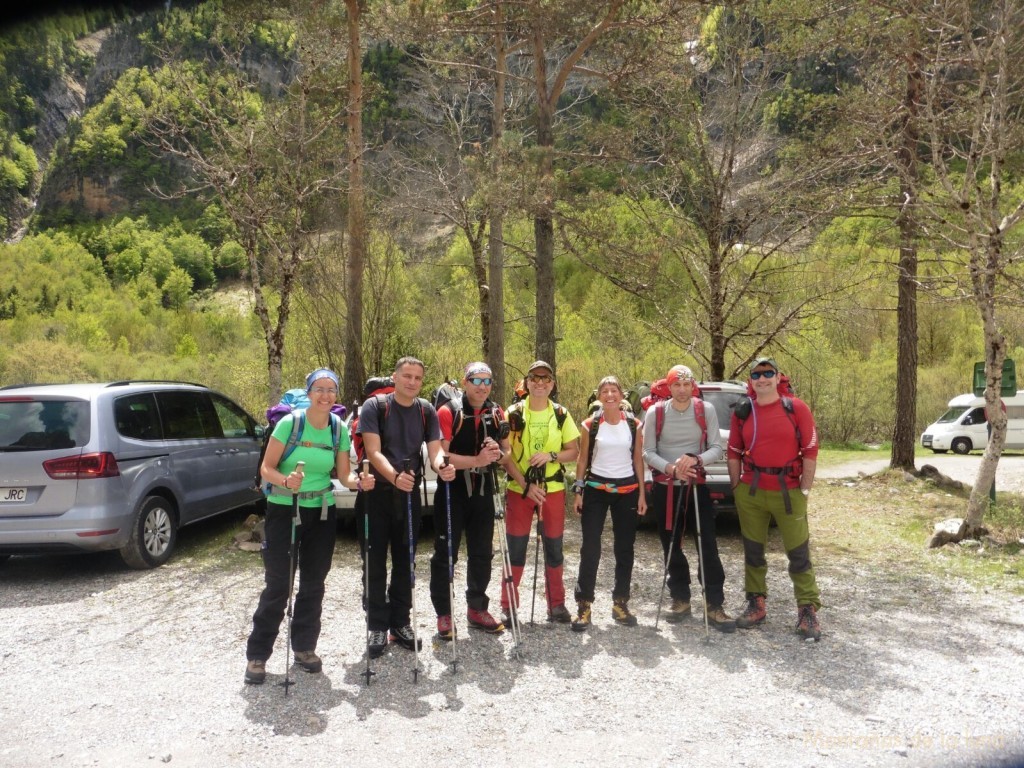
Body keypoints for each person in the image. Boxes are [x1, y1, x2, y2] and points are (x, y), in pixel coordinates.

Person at [245, 368, 373, 685]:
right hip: (285, 509)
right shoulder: (291, 424)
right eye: (320, 389)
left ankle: (304, 648)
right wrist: (286, 481)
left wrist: (360, 481)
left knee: (314, 583)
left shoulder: (337, 430)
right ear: (309, 392)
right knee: (279, 585)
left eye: (332, 390)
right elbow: (266, 468)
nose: (326, 395)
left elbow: (343, 476)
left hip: (323, 512)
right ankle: (258, 655)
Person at [359, 356, 456, 657]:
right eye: (406, 376)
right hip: (377, 492)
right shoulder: (374, 407)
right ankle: (376, 624)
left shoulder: (426, 410)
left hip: (409, 493)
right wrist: (394, 476)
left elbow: (435, 451)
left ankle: (399, 623)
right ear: (395, 377)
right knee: (374, 562)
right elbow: (373, 451)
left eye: (417, 377)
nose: (412, 381)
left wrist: (443, 467)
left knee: (406, 561)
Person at [727, 357, 822, 641]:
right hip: (752, 491)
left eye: (768, 373)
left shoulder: (796, 407)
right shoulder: (743, 411)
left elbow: (811, 451)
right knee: (753, 551)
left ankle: (807, 609)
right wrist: (737, 488)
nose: (763, 378)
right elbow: (733, 452)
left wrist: (804, 490)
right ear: (751, 381)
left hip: (788, 491)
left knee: (798, 553)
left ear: (777, 377)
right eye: (757, 374)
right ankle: (756, 603)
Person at [642, 364, 736, 632]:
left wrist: (695, 459)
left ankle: (714, 603)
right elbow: (648, 451)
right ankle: (680, 598)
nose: (682, 390)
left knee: (707, 542)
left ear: (692, 385)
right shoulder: (656, 412)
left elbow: (717, 448)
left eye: (686, 384)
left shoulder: (704, 410)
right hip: (666, 486)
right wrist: (671, 468)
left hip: (697, 485)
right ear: (669, 387)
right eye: (676, 385)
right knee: (671, 542)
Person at [428, 362, 511, 639]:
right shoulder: (448, 411)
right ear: (465, 382)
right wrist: (477, 460)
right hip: (453, 489)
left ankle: (476, 608)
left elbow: (507, 454)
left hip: (484, 488)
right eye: (476, 380)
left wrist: (496, 453)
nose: (482, 386)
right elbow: (442, 455)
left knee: (482, 551)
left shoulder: (496, 412)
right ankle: (444, 613)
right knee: (446, 553)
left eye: (487, 381)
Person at [500, 360, 580, 624]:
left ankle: (556, 604)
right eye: (534, 379)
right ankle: (509, 605)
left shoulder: (560, 414)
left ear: (552, 385)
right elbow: (505, 456)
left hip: (553, 489)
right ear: (527, 383)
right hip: (519, 489)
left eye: (545, 380)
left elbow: (574, 451)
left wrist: (551, 455)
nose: (540, 384)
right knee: (516, 547)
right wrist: (525, 485)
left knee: (554, 548)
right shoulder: (512, 413)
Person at [570, 376, 647, 631]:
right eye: (605, 391)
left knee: (625, 549)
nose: (610, 395)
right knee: (590, 547)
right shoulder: (590, 424)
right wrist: (578, 491)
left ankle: (620, 603)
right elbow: (582, 461)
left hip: (627, 490)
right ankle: (584, 604)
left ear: (621, 395)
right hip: (595, 489)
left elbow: (638, 460)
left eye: (614, 391)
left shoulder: (634, 424)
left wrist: (642, 494)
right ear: (599, 396)